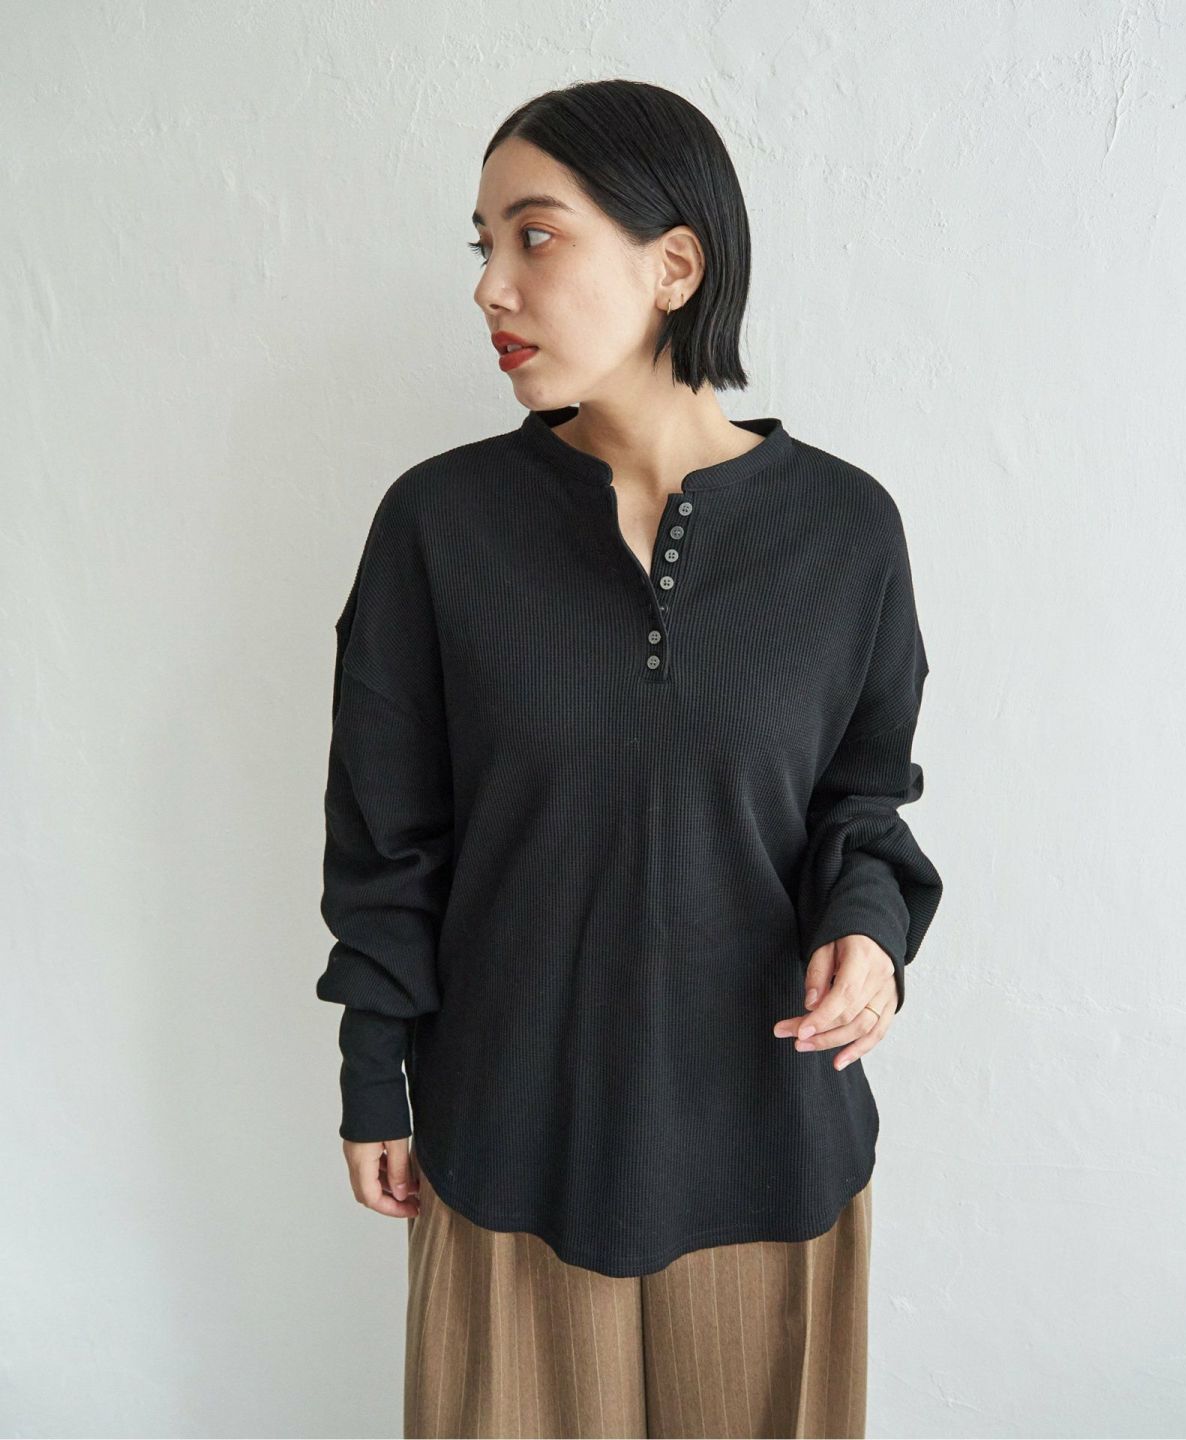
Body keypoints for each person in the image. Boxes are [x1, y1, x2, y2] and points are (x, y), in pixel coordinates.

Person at [316, 79, 944, 1439]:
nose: (490, 286)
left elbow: (862, 797)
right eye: (482, 243)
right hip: (509, 1145)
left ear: (675, 266)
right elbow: (386, 834)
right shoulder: (440, 526)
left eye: (533, 236)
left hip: (767, 1148)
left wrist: (871, 932)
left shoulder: (845, 532)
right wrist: (375, 1073)